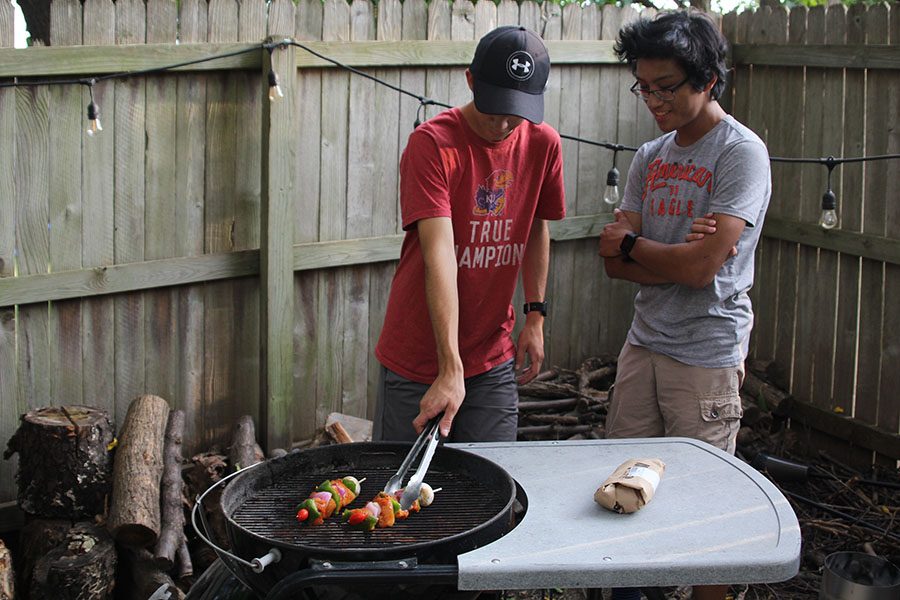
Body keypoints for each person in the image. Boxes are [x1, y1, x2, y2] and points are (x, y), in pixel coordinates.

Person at [599, 11, 771, 600]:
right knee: (624, 488)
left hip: (705, 353)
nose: (652, 99)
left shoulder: (740, 154)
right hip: (644, 342)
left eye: (665, 87)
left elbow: (701, 271)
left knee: (702, 500)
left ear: (707, 80)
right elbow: (611, 262)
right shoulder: (651, 155)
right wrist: (661, 252)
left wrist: (635, 243)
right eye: (643, 86)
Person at [373, 25, 566, 444]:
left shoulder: (543, 144)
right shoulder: (433, 144)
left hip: (491, 354)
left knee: (493, 486)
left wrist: (535, 315)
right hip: (418, 357)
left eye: (514, 112)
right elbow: (439, 254)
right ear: (471, 80)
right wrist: (450, 367)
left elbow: (536, 225)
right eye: (494, 107)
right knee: (401, 493)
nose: (501, 124)